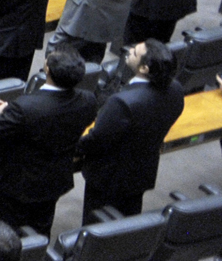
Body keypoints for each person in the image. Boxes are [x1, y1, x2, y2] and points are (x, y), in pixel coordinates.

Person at [0, 45, 97, 236]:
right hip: (55, 177)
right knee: (42, 226)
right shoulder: (88, 100)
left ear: (47, 69)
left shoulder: (25, 106)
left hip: (18, 182)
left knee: (8, 232)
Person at [77, 39, 186, 219]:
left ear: (144, 68)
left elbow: (97, 139)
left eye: (135, 52)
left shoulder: (122, 102)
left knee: (98, 224)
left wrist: (72, 146)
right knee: (129, 221)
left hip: (108, 177)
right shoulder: (176, 89)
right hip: (142, 171)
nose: (129, 50)